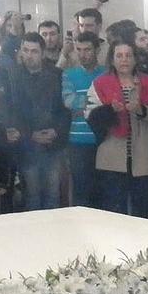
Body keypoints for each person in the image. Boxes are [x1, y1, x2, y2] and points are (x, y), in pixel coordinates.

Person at [85, 39, 148, 218]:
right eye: (119, 56)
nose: (124, 60)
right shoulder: (99, 83)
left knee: (144, 209)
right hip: (111, 155)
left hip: (143, 155)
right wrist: (109, 110)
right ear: (112, 59)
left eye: (128, 55)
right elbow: (90, 117)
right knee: (113, 209)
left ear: (135, 59)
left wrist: (140, 109)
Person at [9, 32, 69, 210]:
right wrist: (30, 134)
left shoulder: (57, 74)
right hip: (27, 145)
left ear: (42, 53)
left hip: (53, 143)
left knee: (53, 195)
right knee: (32, 196)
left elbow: (64, 109)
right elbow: (12, 111)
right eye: (25, 50)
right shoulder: (12, 76)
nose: (29, 55)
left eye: (34, 51)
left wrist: (56, 131)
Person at [62, 32, 107, 208]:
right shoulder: (69, 74)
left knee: (103, 192)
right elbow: (68, 101)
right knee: (81, 193)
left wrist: (83, 107)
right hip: (78, 141)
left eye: (87, 49)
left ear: (97, 49)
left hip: (104, 140)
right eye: (78, 50)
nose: (82, 54)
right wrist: (97, 102)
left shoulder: (107, 74)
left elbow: (110, 102)